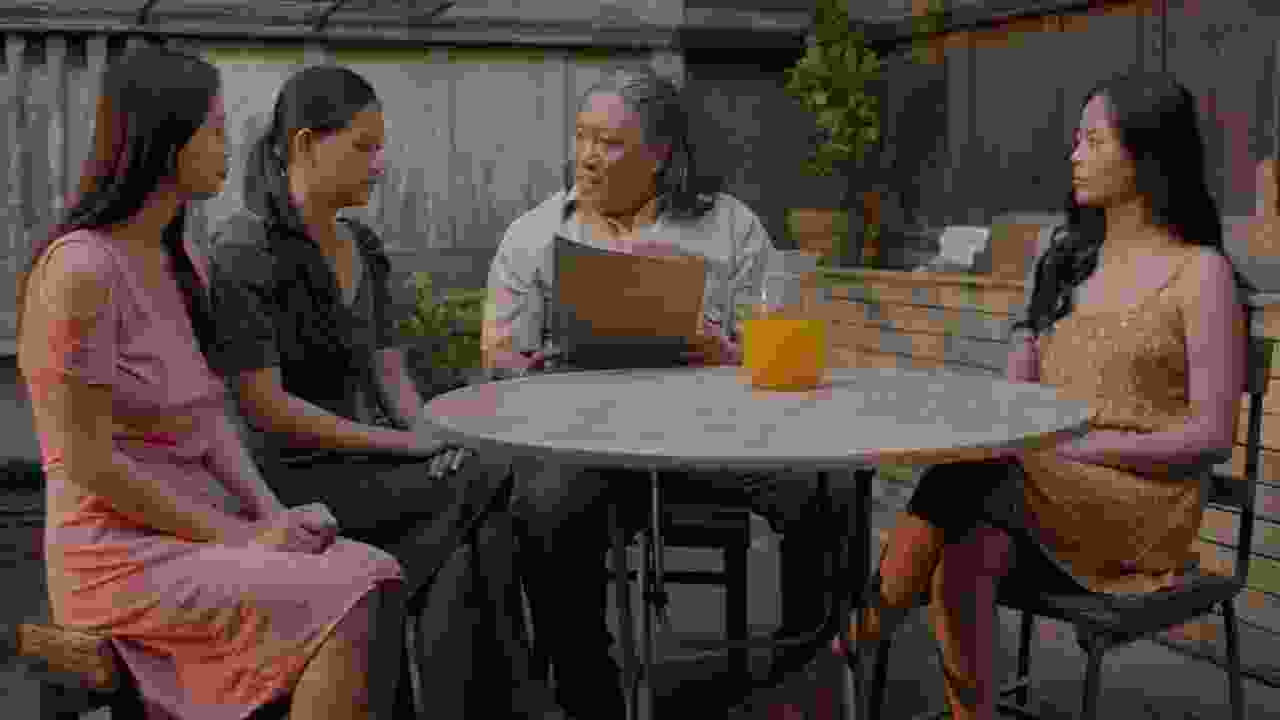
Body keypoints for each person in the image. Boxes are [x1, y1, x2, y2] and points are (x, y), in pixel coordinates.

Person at [833, 70, 1253, 720]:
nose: (1075, 155)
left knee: (966, 475)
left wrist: (1082, 448)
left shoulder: (1202, 274)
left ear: (1147, 155)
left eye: (1093, 140)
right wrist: (1024, 345)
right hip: (1048, 489)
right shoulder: (1068, 262)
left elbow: (1211, 436)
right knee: (967, 546)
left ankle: (857, 639)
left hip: (1139, 505)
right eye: (1076, 140)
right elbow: (1020, 402)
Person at [16, 46, 405, 720]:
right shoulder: (79, 270)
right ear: (166, 137)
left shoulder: (180, 262)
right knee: (350, 591)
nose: (230, 146)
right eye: (216, 130)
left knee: (377, 570)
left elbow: (212, 426)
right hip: (116, 558)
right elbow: (86, 461)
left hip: (198, 534)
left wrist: (270, 517)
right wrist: (236, 537)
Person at [482, 66, 840, 717]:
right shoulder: (533, 235)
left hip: (719, 440)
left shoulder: (730, 228)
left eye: (610, 142)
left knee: (827, 485)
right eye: (582, 137)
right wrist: (523, 365)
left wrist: (725, 352)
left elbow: (780, 346)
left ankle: (796, 679)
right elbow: (499, 357)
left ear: (660, 153)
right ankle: (590, 695)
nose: (589, 156)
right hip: (586, 444)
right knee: (542, 502)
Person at [205, 65, 550, 719]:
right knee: (488, 494)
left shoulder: (362, 246)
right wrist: (402, 446)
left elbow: (389, 371)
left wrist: (430, 437)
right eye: (364, 146)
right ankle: (511, 699)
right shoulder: (244, 250)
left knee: (474, 529)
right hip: (290, 481)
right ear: (306, 144)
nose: (379, 164)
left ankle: (448, 688)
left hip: (371, 465)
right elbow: (266, 410)